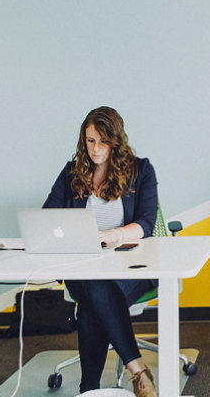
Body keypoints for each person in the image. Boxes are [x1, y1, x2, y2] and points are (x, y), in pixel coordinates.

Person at [42, 106, 159, 396]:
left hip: (131, 266)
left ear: (116, 141)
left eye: (103, 142)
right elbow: (48, 215)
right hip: (82, 266)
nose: (96, 149)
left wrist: (113, 236)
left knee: (94, 300)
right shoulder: (73, 173)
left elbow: (145, 222)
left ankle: (88, 389)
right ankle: (138, 372)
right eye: (90, 140)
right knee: (95, 283)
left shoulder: (141, 170)